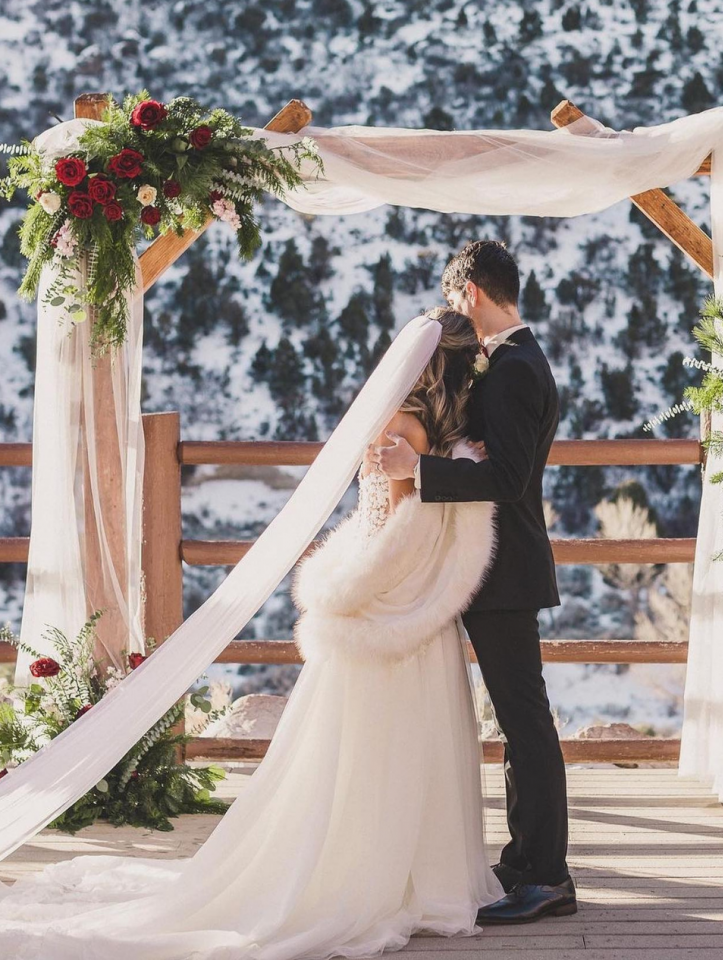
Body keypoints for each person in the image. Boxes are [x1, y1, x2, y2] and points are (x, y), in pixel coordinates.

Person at [0, 308, 508, 960]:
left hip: (395, 616)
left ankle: (391, 871)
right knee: (393, 758)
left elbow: (387, 530)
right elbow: (393, 539)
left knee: (366, 761)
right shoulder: (411, 432)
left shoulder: (419, 432)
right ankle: (397, 877)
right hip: (399, 620)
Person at [370, 240, 574, 924]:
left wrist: (418, 469)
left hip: (505, 569)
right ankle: (524, 863)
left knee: (525, 723)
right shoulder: (516, 361)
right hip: (497, 566)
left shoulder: (514, 367)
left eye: (456, 301)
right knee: (520, 723)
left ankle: (546, 875)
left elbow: (509, 478)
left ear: (472, 294)